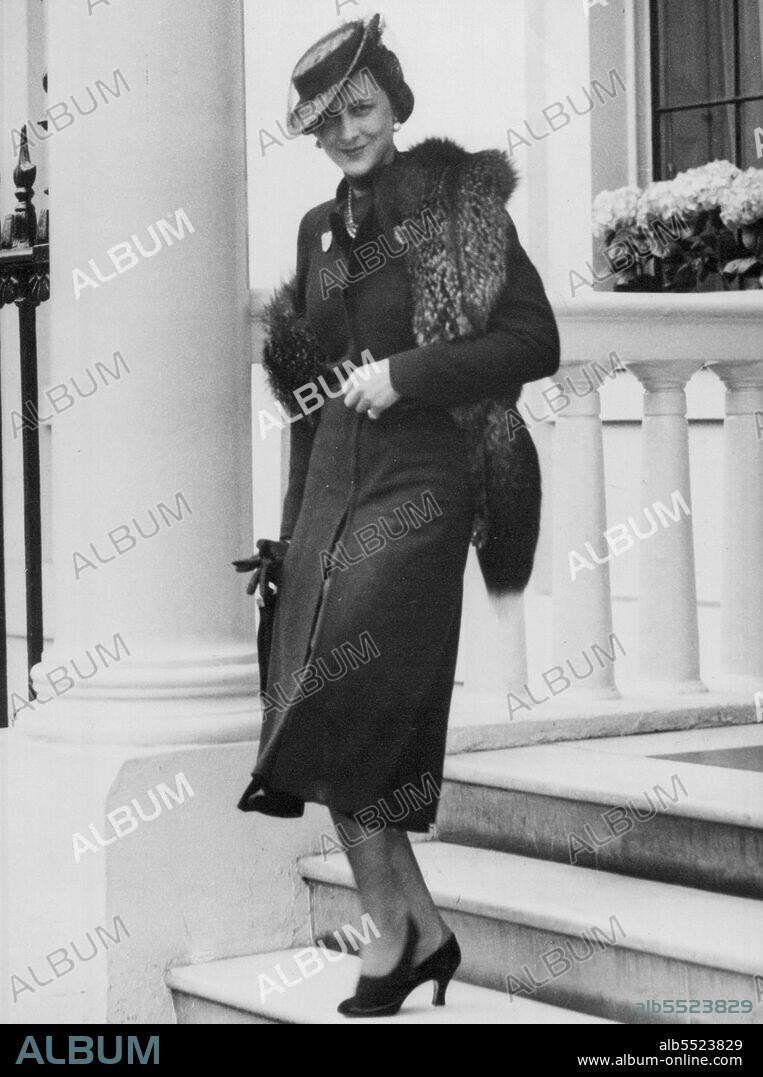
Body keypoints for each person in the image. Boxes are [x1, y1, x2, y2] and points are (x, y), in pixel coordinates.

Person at [237, 13, 560, 1017]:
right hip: (335, 480)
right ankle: (413, 932)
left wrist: (406, 373)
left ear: (395, 104)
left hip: (426, 480)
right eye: (327, 122)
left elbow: (533, 341)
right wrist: (288, 535)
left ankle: (401, 934)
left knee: (354, 700)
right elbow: (304, 393)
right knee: (307, 700)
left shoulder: (450, 205)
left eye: (362, 110)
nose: (347, 134)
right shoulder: (318, 230)